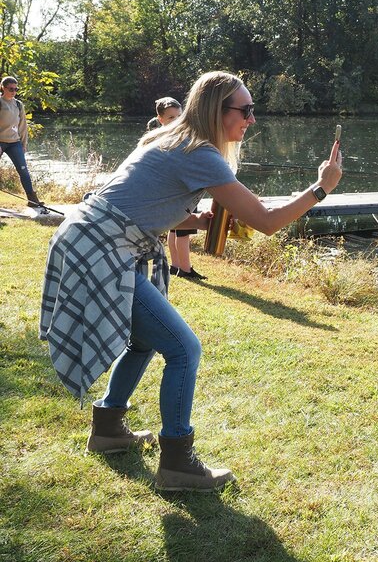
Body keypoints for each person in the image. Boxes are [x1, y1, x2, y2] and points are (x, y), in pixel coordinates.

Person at [40, 71, 342, 491]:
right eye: (246, 110)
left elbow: (139, 202)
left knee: (146, 339)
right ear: (218, 111)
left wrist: (197, 221)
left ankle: (108, 428)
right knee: (184, 349)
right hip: (102, 250)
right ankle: (178, 464)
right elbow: (268, 222)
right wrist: (321, 188)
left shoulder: (168, 138)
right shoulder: (200, 153)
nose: (252, 120)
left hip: (91, 239)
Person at [147, 97, 203, 279]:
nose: (177, 120)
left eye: (179, 116)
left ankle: (176, 265)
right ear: (160, 118)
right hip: (181, 189)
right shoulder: (166, 139)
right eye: (171, 117)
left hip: (178, 188)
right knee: (184, 231)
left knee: (175, 229)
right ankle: (185, 269)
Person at [0, 76, 48, 215]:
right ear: (3, 87)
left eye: (16, 89)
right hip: (1, 142)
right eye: (11, 89)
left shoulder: (19, 104)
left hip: (14, 143)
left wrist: (23, 144)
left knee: (24, 171)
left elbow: (23, 126)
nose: (14, 91)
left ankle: (32, 200)